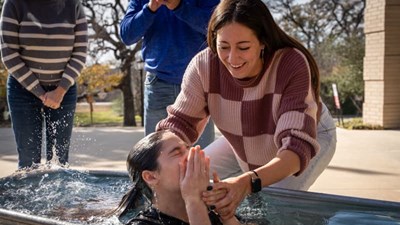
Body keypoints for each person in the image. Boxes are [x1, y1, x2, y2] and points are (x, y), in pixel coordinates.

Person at [156, 0, 337, 220]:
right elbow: (180, 123)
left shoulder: (290, 63)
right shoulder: (204, 66)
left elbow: (295, 148)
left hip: (304, 140)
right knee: (185, 180)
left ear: (263, 42)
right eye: (223, 47)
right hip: (240, 139)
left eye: (243, 47)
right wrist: (152, 160)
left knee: (270, 210)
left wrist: (247, 182)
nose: (232, 59)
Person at [0, 0, 88, 169]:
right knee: (28, 160)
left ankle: (58, 196)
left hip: (64, 90)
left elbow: (80, 52)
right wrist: (40, 93)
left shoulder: (73, 5)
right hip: (22, 89)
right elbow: (9, 53)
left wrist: (60, 91)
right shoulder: (14, 4)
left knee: (59, 161)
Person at [119, 0, 218, 147]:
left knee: (201, 157)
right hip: (158, 82)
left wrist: (179, 7)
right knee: (155, 156)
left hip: (198, 82)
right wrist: (150, 8)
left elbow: (216, 27)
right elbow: (127, 35)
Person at [112, 130, 240, 225]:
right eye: (177, 153)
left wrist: (227, 216)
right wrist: (194, 201)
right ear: (151, 177)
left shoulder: (213, 214)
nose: (192, 156)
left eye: (188, 148)